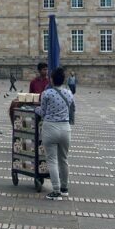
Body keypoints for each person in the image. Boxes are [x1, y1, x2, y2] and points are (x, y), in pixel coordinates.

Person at [35, 67, 74, 201]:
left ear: (51, 80)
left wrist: (36, 110)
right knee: (63, 159)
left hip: (50, 128)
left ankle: (56, 191)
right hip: (65, 128)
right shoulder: (69, 93)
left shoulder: (47, 94)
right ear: (63, 80)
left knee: (52, 160)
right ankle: (64, 189)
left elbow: (43, 112)